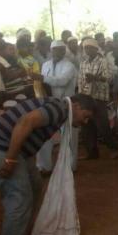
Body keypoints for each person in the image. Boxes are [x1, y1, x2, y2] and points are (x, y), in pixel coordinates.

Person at [0, 94, 95, 235]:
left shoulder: (59, 107)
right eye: (86, 116)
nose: (84, 122)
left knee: (35, 186)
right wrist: (10, 159)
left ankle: (21, 232)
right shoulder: (60, 109)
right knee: (20, 198)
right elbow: (26, 122)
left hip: (10, 149)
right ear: (75, 106)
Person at [32, 40, 78, 172]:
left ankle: (70, 166)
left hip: (66, 103)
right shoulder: (45, 65)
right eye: (54, 49)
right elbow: (44, 85)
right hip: (49, 104)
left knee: (68, 137)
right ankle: (43, 166)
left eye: (60, 49)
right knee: (44, 135)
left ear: (64, 51)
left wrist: (41, 78)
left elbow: (62, 81)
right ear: (51, 51)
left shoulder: (69, 66)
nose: (57, 52)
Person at [78, 38, 118, 160]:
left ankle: (113, 148)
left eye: (90, 47)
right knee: (87, 125)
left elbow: (108, 78)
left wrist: (95, 78)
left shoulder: (103, 61)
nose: (88, 50)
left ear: (96, 49)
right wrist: (81, 95)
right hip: (86, 96)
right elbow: (80, 80)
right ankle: (92, 152)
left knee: (103, 125)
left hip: (99, 97)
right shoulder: (83, 63)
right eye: (86, 48)